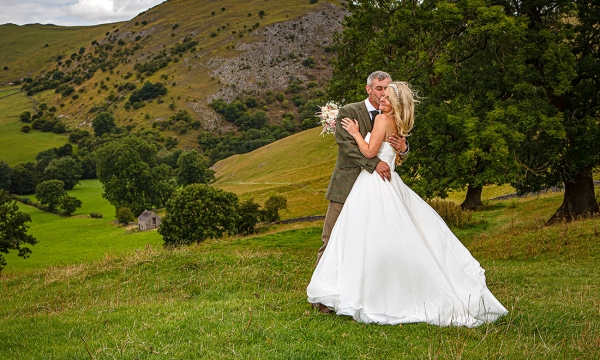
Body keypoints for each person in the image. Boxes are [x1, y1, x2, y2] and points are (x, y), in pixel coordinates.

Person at [307, 82, 508, 327]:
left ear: (395, 101)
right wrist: (376, 148)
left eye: (387, 94)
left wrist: (360, 134)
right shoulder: (357, 112)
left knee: (366, 241)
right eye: (380, 91)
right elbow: (358, 149)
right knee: (342, 239)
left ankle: (366, 295)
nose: (382, 97)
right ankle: (334, 296)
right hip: (361, 182)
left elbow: (374, 152)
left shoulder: (383, 120)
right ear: (369, 88)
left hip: (374, 185)